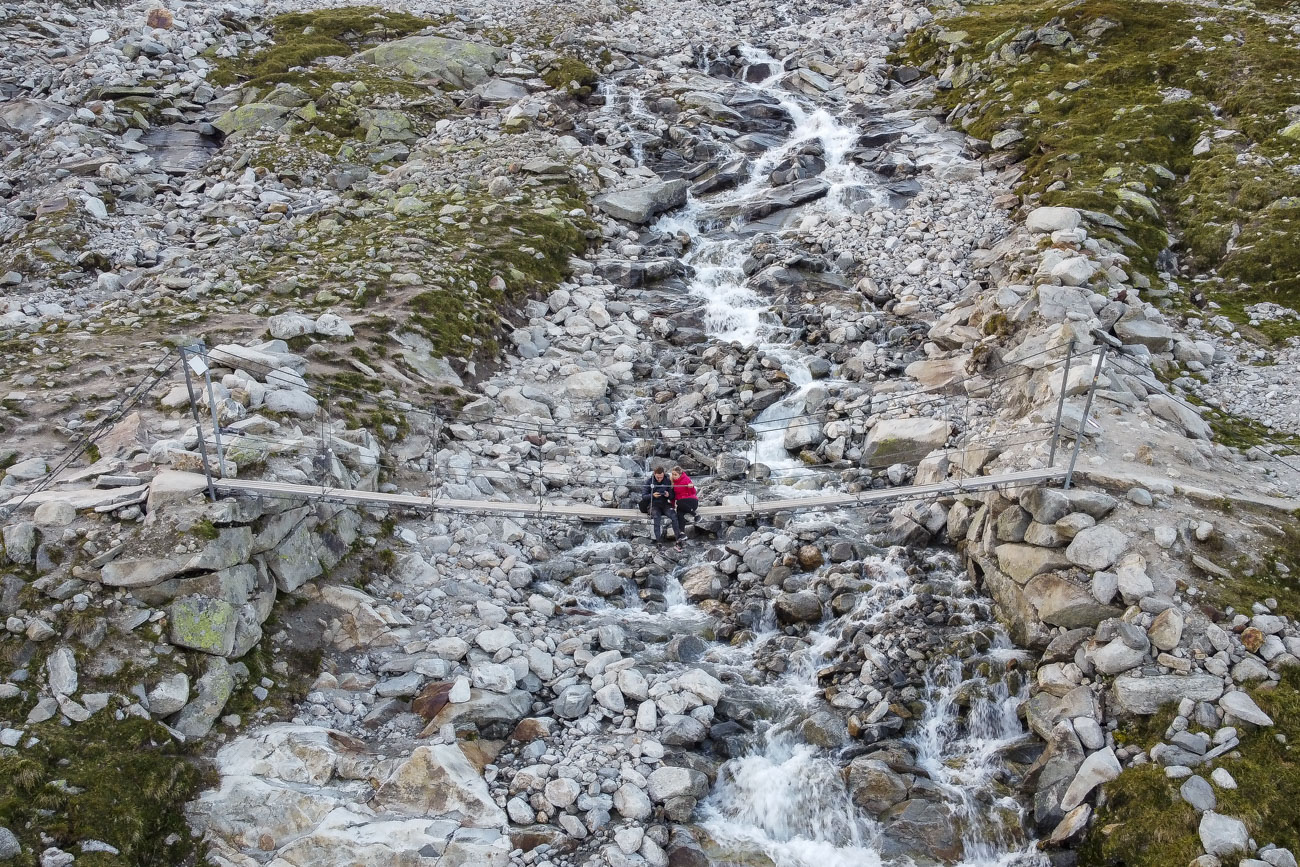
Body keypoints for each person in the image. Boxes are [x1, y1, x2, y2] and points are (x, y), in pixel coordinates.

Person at [642, 465, 683, 550]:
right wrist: (652, 495)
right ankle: (658, 541)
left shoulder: (667, 481)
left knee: (674, 516)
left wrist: (668, 495)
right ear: (654, 474)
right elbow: (644, 496)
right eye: (658, 477)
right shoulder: (649, 481)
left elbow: (672, 495)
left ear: (664, 474)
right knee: (657, 517)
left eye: (661, 477)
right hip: (653, 504)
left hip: (665, 504)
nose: (659, 479)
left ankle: (678, 540)